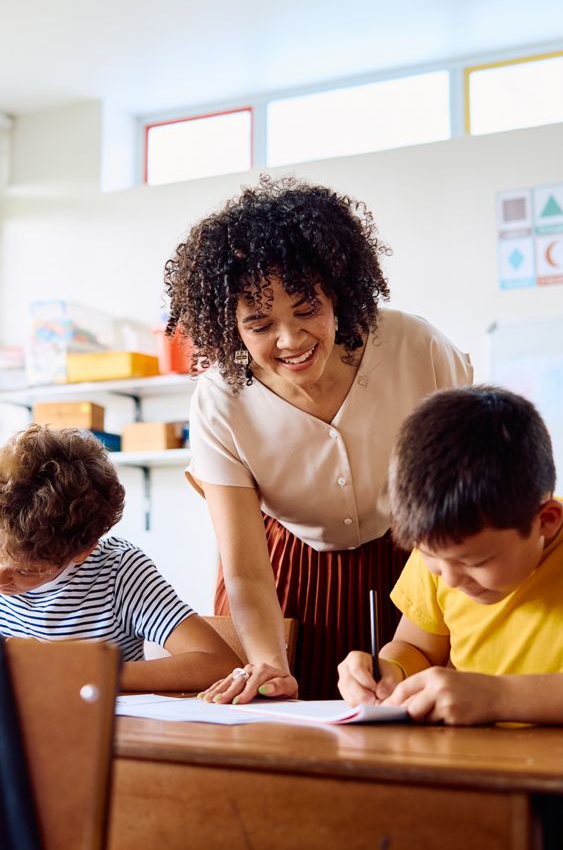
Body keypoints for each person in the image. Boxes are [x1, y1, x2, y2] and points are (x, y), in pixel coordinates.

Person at [164, 175, 473, 701]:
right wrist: (267, 663)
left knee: (410, 715)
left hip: (413, 559)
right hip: (283, 575)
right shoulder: (220, 399)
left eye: (307, 309)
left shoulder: (415, 347)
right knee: (284, 719)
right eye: (259, 325)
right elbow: (243, 566)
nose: (290, 339)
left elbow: (465, 492)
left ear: (339, 291)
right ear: (229, 328)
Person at [337, 386, 563, 726]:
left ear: (546, 521)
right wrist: (389, 672)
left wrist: (498, 697)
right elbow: (417, 648)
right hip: (475, 764)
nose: (449, 579)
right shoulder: (444, 549)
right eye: (429, 555)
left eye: (475, 563)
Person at [0, 424, 240, 690]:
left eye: (26, 571)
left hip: (99, 726)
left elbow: (218, 664)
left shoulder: (118, 572)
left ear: (84, 551)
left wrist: (70, 669)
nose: (1, 580)